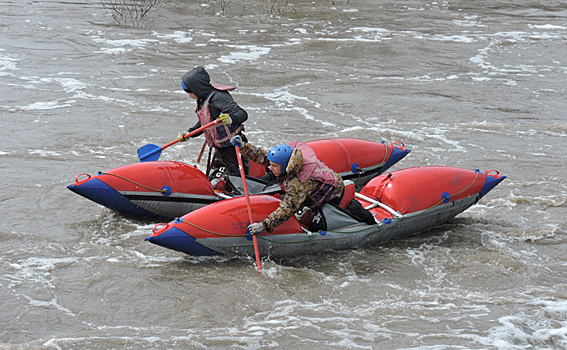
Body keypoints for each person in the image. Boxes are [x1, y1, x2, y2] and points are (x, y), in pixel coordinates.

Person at [230, 136, 345, 235]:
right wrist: (243, 146)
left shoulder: (297, 183)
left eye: (274, 166)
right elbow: (263, 156)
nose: (270, 168)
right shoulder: (284, 163)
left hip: (332, 193)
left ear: (285, 166)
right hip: (309, 187)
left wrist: (264, 225)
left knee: (316, 224)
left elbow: (288, 209)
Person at [178, 66, 249, 187]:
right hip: (220, 148)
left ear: (197, 88)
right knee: (212, 175)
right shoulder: (202, 99)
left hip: (233, 145)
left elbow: (242, 114)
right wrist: (188, 133)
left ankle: (239, 195)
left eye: (190, 92)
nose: (189, 96)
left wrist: (230, 119)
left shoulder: (219, 97)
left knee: (235, 175)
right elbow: (203, 124)